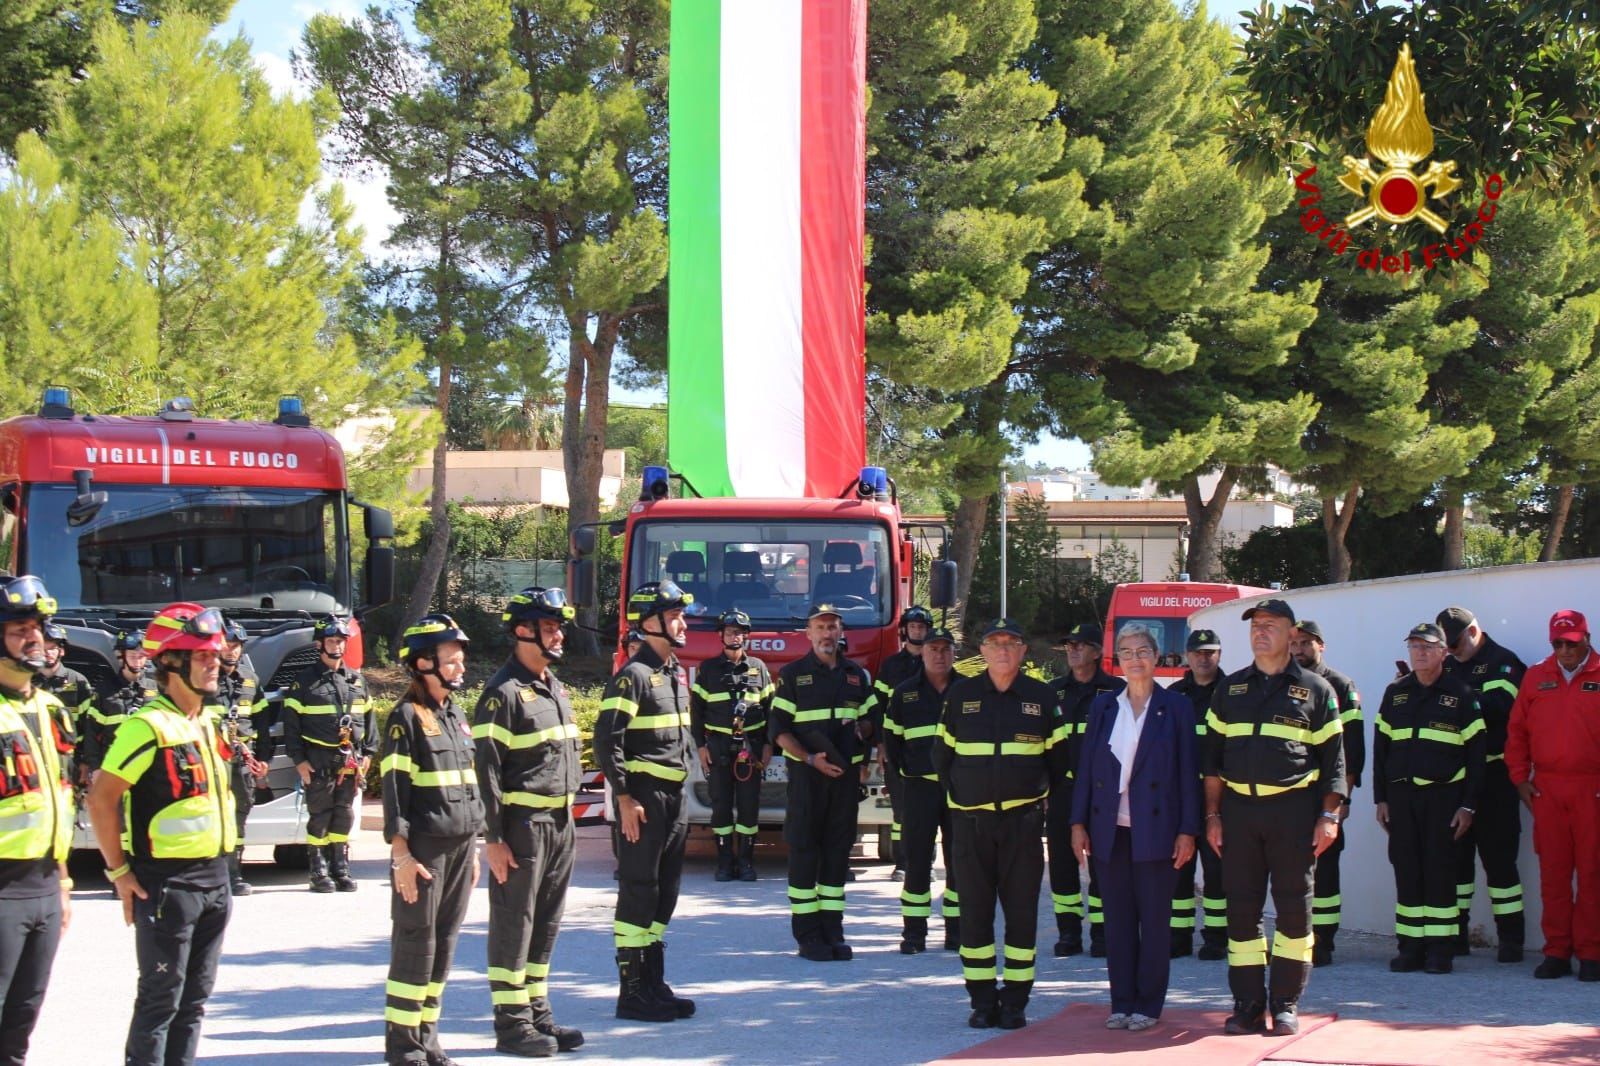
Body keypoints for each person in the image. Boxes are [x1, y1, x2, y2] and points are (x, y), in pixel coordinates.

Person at [87, 603, 236, 1066]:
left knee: (194, 1003)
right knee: (160, 1002)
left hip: (215, 880)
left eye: (216, 654)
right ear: (171, 663)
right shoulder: (145, 726)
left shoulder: (207, 721)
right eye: (202, 655)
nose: (215, 662)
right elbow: (101, 799)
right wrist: (119, 871)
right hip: (169, 885)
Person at [1203, 598, 1346, 1037]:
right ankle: (1247, 1005)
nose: (1260, 631)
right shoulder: (1230, 690)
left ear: (1291, 634)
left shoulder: (1317, 690)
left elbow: (1335, 764)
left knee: (1294, 914)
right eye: (1255, 625)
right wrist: (1213, 815)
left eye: (1270, 625)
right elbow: (1211, 763)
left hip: (1293, 813)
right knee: (1241, 913)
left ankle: (1285, 1003)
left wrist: (1329, 816)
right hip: (1240, 814)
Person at [934, 619, 1069, 1031]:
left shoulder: (1042, 698)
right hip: (970, 825)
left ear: (1024, 651)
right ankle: (981, 1001)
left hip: (1021, 826)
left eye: (1012, 643)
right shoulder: (961, 696)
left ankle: (1014, 1001)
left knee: (1022, 915)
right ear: (984, 651)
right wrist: (962, 804)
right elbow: (942, 759)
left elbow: (1060, 765)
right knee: (974, 915)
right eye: (995, 643)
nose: (1004, 650)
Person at [1072, 624, 1201, 1032]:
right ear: (1117, 660)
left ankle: (1148, 1004)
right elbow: (1087, 767)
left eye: (1142, 650)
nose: (1134, 659)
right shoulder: (1105, 706)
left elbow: (1188, 772)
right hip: (1110, 831)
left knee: (1154, 921)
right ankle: (1121, 1001)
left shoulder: (1177, 707)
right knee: (1118, 921)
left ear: (1156, 656)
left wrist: (1188, 830)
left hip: (1158, 831)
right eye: (1126, 652)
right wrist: (1078, 822)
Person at [473, 587, 585, 1056]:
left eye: (559, 626)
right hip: (522, 826)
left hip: (559, 822)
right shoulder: (502, 694)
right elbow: (486, 772)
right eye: (549, 626)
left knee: (546, 923)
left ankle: (538, 1012)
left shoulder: (551, 685)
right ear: (523, 631)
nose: (558, 634)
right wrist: (494, 838)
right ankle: (511, 1023)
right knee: (514, 924)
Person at [382, 614, 482, 1066]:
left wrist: (475, 847)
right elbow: (395, 794)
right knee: (416, 945)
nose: (461, 667)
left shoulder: (455, 715)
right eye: (452, 660)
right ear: (424, 663)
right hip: (424, 852)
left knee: (444, 945)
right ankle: (404, 1047)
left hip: (460, 849)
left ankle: (428, 1038)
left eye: (461, 660)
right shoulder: (405, 718)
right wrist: (400, 855)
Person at [595, 581, 696, 1021]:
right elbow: (606, 740)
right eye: (674, 616)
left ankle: (653, 982)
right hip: (644, 799)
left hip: (675, 798)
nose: (682, 622)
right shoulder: (632, 676)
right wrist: (623, 797)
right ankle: (632, 992)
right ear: (650, 622)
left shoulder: (673, 672)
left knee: (664, 892)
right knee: (638, 891)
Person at [1373, 622, 1484, 975]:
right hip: (1402, 799)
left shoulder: (1461, 695)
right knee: (1407, 871)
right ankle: (1410, 948)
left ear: (1443, 652)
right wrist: (1381, 799)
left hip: (1444, 799)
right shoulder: (1396, 694)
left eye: (1427, 647)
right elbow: (1381, 750)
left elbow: (1477, 756)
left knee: (1439, 873)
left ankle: (1440, 951)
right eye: (1414, 647)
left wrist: (1468, 805)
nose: (1420, 653)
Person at [770, 602, 874, 962]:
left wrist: (862, 731)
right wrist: (810, 758)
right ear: (809, 634)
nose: (827, 633)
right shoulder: (793, 675)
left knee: (836, 853)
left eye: (833, 626)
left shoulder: (857, 676)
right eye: (821, 627)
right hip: (807, 779)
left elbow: (873, 720)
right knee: (804, 852)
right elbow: (779, 732)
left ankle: (833, 930)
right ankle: (808, 935)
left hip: (843, 781)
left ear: (841, 631)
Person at [0, 576, 75, 1066]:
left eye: (38, 629)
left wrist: (64, 882)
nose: (34, 639)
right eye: (19, 629)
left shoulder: (49, 709)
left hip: (45, 886)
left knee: (21, 1024)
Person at [1505, 608, 1600, 981]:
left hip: (1591, 789)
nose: (1565, 650)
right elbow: (1517, 733)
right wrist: (1520, 779)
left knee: (1592, 873)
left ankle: (1591, 953)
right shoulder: (1536, 677)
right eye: (1558, 643)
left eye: (1572, 643)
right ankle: (1557, 951)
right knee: (1554, 875)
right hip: (1547, 789)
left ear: (1587, 639)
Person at [1437, 605, 1527, 962]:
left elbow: (1502, 708)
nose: (1452, 652)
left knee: (1500, 861)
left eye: (1455, 644)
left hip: (1494, 778)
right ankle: (1458, 935)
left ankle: (1511, 940)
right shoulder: (1448, 666)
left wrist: (1453, 697)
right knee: (1457, 862)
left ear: (1474, 632)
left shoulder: (1503, 663)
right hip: (1456, 779)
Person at [1290, 619, 1365, 967]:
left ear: (1321, 645)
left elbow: (1352, 747)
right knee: (1293, 869)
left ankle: (1324, 942)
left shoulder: (1339, 685)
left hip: (1326, 795)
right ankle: (1297, 937)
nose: (1299, 650)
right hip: (1293, 794)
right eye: (1295, 644)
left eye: (1306, 643)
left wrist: (1342, 798)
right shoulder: (1284, 682)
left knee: (1327, 870)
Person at [1046, 622, 1124, 958]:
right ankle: (1068, 933)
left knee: (1103, 864)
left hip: (1102, 793)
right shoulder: (1052, 692)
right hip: (1062, 790)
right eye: (1069, 645)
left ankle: (1104, 935)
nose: (1073, 650)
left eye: (1080, 645)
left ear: (1096, 651)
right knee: (1062, 865)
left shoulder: (1116, 691)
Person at [284, 614, 374, 893]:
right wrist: (299, 761)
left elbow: (370, 721)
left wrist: (368, 753)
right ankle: (318, 870)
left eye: (340, 641)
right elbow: (291, 727)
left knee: (344, 814)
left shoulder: (357, 682)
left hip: (350, 761)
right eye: (331, 641)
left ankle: (340, 867)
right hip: (318, 761)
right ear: (319, 645)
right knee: (320, 815)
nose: (336, 646)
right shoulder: (304, 683)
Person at [883, 626, 959, 954]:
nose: (939, 656)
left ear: (954, 653)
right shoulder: (904, 693)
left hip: (960, 793)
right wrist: (902, 783)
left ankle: (957, 932)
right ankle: (914, 934)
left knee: (960, 864)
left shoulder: (969, 691)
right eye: (933, 650)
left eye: (945, 650)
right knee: (916, 863)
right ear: (923, 653)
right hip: (919, 789)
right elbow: (891, 743)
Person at [690, 608, 773, 883]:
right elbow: (696, 712)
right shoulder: (709, 669)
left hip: (751, 748)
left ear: (746, 636)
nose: (734, 637)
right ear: (721, 636)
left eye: (739, 633)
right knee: (721, 807)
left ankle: (747, 863)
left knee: (749, 808)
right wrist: (701, 747)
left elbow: (773, 710)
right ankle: (725, 863)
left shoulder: (759, 668)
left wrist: (770, 745)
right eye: (729, 632)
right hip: (718, 748)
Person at [1170, 628, 1225, 960]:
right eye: (1198, 652)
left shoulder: (1233, 692)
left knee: (1218, 870)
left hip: (1222, 797)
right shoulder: (1174, 696)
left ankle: (1217, 937)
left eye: (1210, 652)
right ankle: (1178, 936)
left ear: (1219, 655)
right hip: (1183, 794)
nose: (1204, 658)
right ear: (1188, 656)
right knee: (1178, 867)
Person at [872, 604, 933, 881]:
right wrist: (881, 745)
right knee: (901, 810)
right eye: (913, 627)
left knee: (929, 809)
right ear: (904, 631)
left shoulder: (936, 662)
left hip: (930, 750)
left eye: (921, 627)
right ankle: (903, 863)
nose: (917, 631)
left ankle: (926, 863)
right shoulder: (891, 666)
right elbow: (878, 707)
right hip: (897, 748)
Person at [213, 621, 267, 897]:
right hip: (211, 761)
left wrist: (264, 758)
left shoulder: (250, 680)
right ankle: (212, 873)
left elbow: (262, 720)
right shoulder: (204, 679)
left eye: (236, 647)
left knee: (239, 814)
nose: (231, 651)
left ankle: (234, 873)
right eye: (226, 645)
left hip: (241, 760)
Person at [78, 629, 153, 775]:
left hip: (149, 771)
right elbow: (91, 733)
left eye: (141, 656)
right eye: (132, 656)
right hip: (113, 769)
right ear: (121, 656)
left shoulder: (155, 688)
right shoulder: (105, 690)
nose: (137, 660)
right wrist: (95, 768)